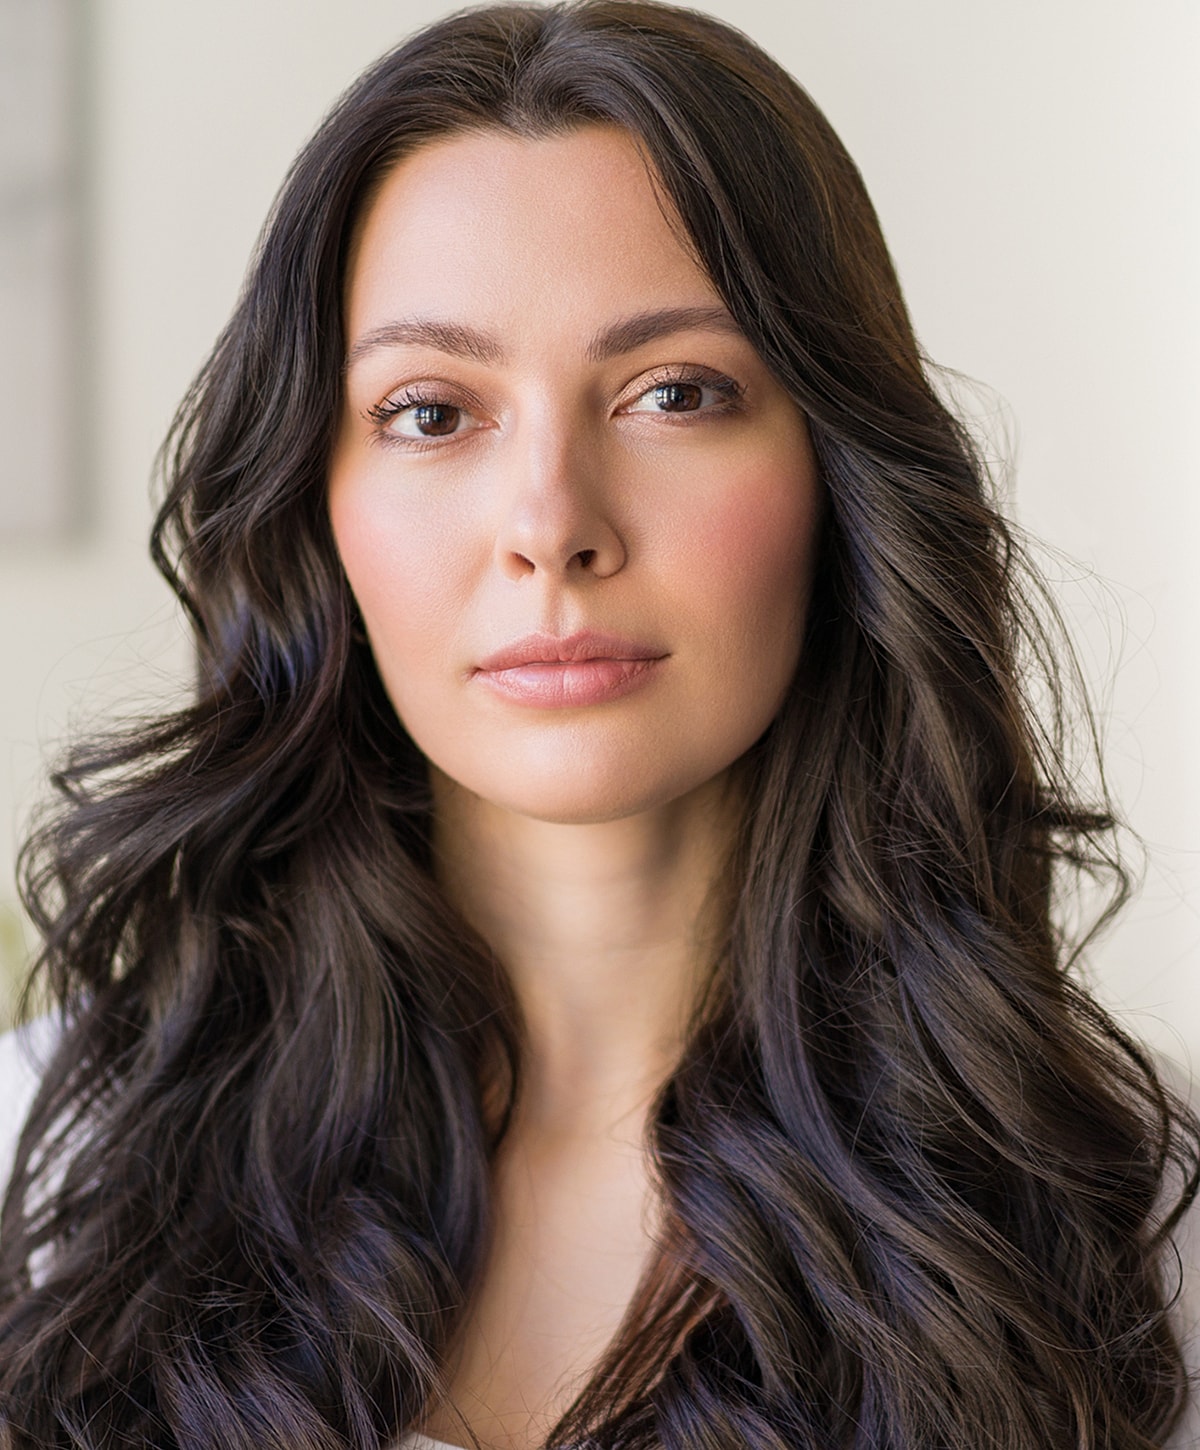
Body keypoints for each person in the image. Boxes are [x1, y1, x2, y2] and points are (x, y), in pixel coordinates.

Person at [0, 2, 1196, 1446]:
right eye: (434, 412)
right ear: (316, 510)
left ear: (837, 477)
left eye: (673, 393)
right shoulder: (55, 1163)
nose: (552, 525)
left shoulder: (1129, 1214)